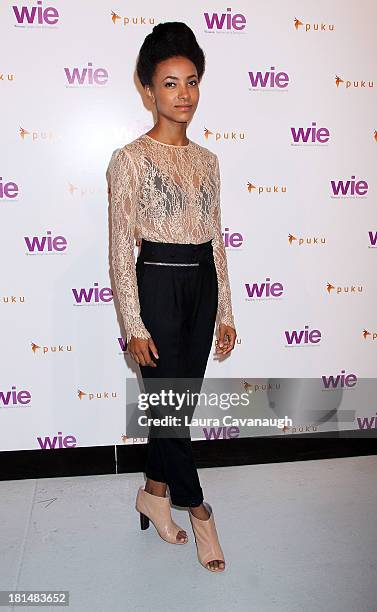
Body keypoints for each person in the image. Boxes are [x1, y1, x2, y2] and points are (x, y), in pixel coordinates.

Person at [108, 22, 237, 572]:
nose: (183, 94)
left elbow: (218, 240)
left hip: (201, 285)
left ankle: (153, 493)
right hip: (156, 284)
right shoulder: (128, 160)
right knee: (171, 411)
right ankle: (200, 511)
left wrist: (226, 310)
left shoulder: (208, 160)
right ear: (147, 90)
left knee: (174, 409)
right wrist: (133, 324)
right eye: (169, 83)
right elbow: (119, 251)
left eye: (191, 82)